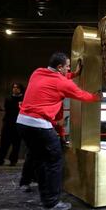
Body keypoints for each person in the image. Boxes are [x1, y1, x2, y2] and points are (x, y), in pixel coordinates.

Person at [16, 52, 101, 210]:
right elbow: (81, 95)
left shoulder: (38, 72)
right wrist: (96, 98)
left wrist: (75, 73)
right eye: (67, 66)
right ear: (59, 67)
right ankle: (53, 202)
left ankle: (46, 199)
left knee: (40, 160)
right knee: (54, 160)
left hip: (22, 123)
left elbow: (60, 78)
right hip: (39, 125)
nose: (69, 69)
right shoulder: (63, 83)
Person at [19, 59, 83, 192]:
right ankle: (30, 183)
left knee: (39, 155)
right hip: (40, 126)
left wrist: (62, 136)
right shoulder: (50, 91)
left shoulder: (57, 94)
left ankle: (37, 183)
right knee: (39, 156)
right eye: (67, 67)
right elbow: (52, 118)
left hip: (43, 127)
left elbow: (59, 121)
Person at [0, 83, 24, 166]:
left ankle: (13, 160)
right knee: (4, 143)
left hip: (18, 124)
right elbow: (7, 109)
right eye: (14, 87)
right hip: (8, 123)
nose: (15, 89)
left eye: (17, 88)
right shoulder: (9, 98)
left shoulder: (23, 99)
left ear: (20, 89)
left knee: (16, 144)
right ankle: (0, 160)